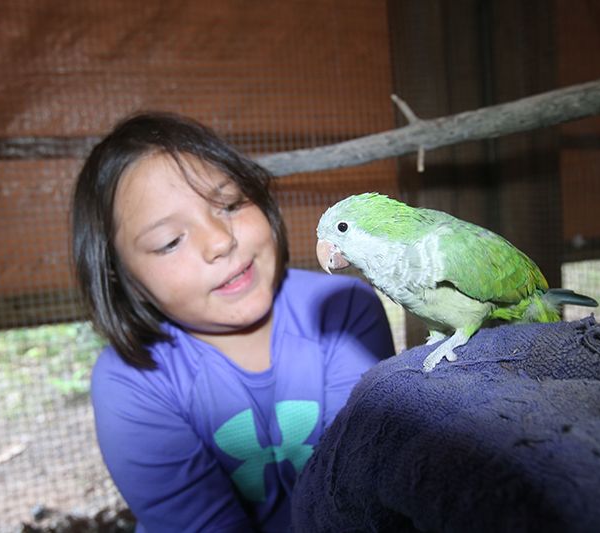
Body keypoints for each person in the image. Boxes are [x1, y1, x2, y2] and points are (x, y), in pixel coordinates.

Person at [72, 111, 395, 532]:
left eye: (230, 204)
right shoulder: (130, 381)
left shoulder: (342, 308)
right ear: (119, 274)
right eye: (169, 241)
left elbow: (354, 492)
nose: (220, 241)